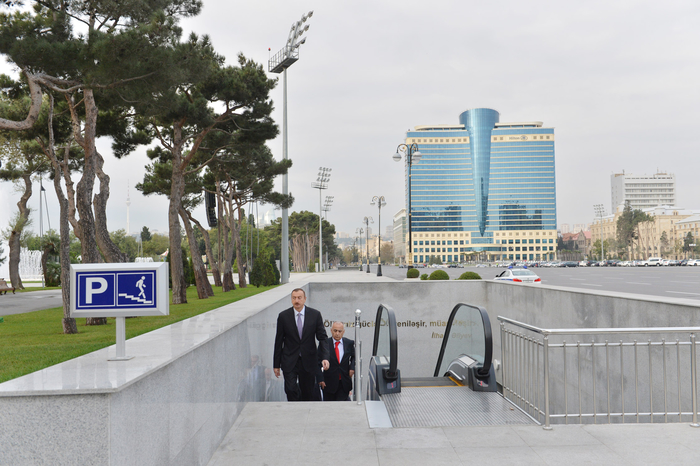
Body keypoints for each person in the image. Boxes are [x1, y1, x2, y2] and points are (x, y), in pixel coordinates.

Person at [273, 288, 330, 401]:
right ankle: (293, 411)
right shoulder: (283, 316)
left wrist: (325, 357)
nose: (296, 300)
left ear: (305, 299)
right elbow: (279, 341)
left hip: (308, 360)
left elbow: (322, 338)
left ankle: (305, 413)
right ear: (291, 299)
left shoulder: (315, 315)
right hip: (289, 360)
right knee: (290, 389)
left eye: (299, 298)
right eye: (294, 298)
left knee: (308, 392)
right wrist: (276, 364)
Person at [317, 321, 355, 401]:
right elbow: (317, 361)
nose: (337, 333)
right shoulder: (325, 344)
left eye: (339, 331)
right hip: (328, 383)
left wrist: (352, 368)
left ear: (343, 332)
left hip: (344, 381)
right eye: (335, 331)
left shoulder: (349, 343)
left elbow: (354, 357)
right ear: (331, 331)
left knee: (342, 406)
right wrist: (320, 379)